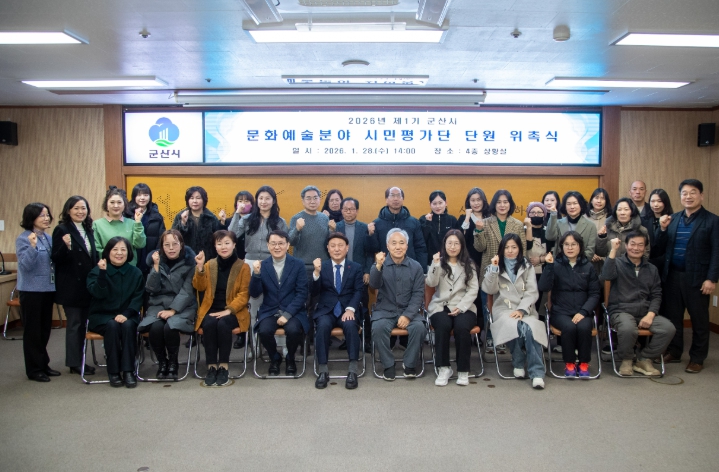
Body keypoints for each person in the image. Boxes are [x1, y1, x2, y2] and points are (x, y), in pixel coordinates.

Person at [655, 179, 719, 373]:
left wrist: (711, 279)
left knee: (699, 321)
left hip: (698, 279)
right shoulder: (673, 219)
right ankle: (675, 351)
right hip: (672, 276)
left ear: (701, 195)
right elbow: (659, 247)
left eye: (693, 192)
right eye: (684, 193)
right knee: (673, 318)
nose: (688, 196)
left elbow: (717, 252)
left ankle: (697, 358)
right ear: (680, 196)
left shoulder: (712, 220)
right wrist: (662, 229)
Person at [601, 233, 675, 376]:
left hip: (645, 311)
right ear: (626, 246)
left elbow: (656, 295)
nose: (636, 248)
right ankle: (627, 359)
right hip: (621, 310)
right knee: (628, 329)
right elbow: (606, 276)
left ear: (645, 247)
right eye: (632, 244)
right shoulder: (616, 263)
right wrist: (613, 250)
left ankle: (644, 359)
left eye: (640, 245)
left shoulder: (651, 269)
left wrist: (651, 314)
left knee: (668, 328)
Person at [228, 186, 288, 354]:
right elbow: (231, 235)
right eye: (261, 198)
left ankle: (281, 345)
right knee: (253, 306)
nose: (264, 201)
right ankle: (254, 347)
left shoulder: (279, 221)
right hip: (250, 263)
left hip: (273, 262)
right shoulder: (247, 219)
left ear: (273, 201)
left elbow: (284, 243)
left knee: (277, 304)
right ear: (256, 201)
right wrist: (237, 214)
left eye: (267, 198)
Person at [482, 233, 546, 389]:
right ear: (501, 249)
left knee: (529, 328)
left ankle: (537, 373)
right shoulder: (493, 266)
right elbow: (489, 289)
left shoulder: (527, 266)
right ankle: (518, 362)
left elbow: (532, 292)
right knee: (515, 324)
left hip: (525, 308)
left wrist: (522, 310)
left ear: (520, 249)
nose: (510, 251)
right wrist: (494, 269)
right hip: (503, 309)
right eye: (507, 247)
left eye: (514, 247)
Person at [538, 231, 600, 378]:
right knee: (569, 327)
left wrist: (583, 312)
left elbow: (595, 294)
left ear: (580, 246)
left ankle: (583, 364)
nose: (570, 248)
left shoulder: (588, 266)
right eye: (566, 244)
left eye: (573, 244)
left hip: (582, 311)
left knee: (584, 327)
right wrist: (549, 266)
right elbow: (543, 287)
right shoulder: (556, 264)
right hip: (560, 312)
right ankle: (570, 363)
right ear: (561, 247)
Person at [192, 230, 250, 387]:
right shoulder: (209, 264)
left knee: (223, 324)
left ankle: (223, 367)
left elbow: (244, 294)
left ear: (234, 245)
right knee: (210, 323)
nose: (223, 247)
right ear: (215, 246)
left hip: (234, 311)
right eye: (219, 244)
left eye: (227, 243)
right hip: (211, 308)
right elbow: (199, 287)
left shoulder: (243, 267)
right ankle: (211, 367)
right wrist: (200, 268)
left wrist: (229, 310)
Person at [138, 230, 197, 380]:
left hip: (183, 307)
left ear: (181, 245)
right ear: (161, 247)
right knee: (156, 328)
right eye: (167, 245)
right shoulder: (156, 261)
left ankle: (173, 363)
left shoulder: (190, 263)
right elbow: (151, 289)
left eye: (175, 244)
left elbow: (187, 291)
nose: (171, 248)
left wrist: (173, 310)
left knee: (170, 327)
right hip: (158, 305)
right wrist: (156, 267)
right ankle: (162, 362)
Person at [86, 237, 144, 387]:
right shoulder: (96, 271)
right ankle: (113, 371)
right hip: (101, 316)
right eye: (115, 249)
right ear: (108, 252)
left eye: (123, 250)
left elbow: (138, 298)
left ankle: (128, 370)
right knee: (112, 325)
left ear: (128, 252)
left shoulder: (135, 272)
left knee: (128, 326)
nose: (119, 253)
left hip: (128, 315)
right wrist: (102, 273)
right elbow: (97, 293)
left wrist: (126, 314)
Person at [369, 228, 427, 380]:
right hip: (385, 311)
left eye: (401, 243)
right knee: (378, 328)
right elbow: (374, 285)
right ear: (387, 246)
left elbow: (418, 294)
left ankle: (410, 364)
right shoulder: (379, 264)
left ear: (407, 246)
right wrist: (378, 266)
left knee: (419, 328)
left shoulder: (416, 267)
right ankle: (388, 364)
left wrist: (408, 316)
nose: (398, 247)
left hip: (409, 311)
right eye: (393, 243)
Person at [473, 189, 526, 353]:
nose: (502, 205)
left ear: (510, 204)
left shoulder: (517, 224)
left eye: (505, 202)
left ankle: (505, 337)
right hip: (490, 272)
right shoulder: (485, 222)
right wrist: (479, 231)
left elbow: (522, 250)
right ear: (494, 205)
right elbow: (479, 248)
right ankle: (490, 336)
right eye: (499, 202)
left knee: (507, 306)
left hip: (511, 273)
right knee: (488, 307)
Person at [250, 230, 309, 377]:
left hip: (293, 311)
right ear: (268, 245)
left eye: (281, 243)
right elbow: (255, 293)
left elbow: (302, 293)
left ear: (288, 245)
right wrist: (256, 274)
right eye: (273, 243)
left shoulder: (298, 264)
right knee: (264, 331)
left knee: (294, 330)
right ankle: (274, 358)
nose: (277, 247)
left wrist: (288, 314)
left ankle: (290, 359)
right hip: (270, 310)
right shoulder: (263, 265)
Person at [51, 196, 98, 376]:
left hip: (87, 285)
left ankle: (81, 360)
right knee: (75, 325)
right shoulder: (62, 229)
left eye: (83, 208)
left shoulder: (88, 228)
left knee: (83, 325)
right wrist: (66, 246)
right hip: (71, 286)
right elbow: (56, 257)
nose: (80, 211)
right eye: (76, 208)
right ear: (68, 210)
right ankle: (74, 363)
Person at [426, 229, 479, 386]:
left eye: (456, 243)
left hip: (464, 306)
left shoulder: (469, 264)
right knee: (442, 326)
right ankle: (444, 368)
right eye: (449, 243)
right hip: (441, 306)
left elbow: (473, 289)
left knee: (462, 327)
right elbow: (431, 283)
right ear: (444, 245)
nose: (453, 247)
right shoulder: (438, 262)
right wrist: (435, 265)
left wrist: (461, 307)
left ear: (462, 245)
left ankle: (463, 370)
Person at [312, 232, 364, 390]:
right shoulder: (322, 266)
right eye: (333, 246)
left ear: (347, 248)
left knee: (350, 325)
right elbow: (314, 292)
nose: (336, 249)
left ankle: (353, 370)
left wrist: (351, 309)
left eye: (340, 246)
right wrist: (316, 274)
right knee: (322, 326)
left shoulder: (355, 267)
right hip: (326, 310)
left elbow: (358, 291)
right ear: (328, 248)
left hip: (347, 309)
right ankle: (323, 370)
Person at [16, 203, 57, 382]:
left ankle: (43, 364)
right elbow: (25, 265)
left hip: (47, 288)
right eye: (42, 215)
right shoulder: (24, 238)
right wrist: (32, 247)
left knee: (44, 330)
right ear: (31, 218)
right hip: (31, 290)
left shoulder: (47, 237)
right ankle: (34, 369)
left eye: (47, 215)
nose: (46, 218)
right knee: (33, 332)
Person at [336, 197, 373, 352]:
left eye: (351, 209)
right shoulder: (336, 227)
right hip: (341, 275)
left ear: (357, 211)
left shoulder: (364, 228)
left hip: (359, 275)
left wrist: (367, 271)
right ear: (341, 210)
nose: (348, 212)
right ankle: (348, 339)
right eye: (345, 209)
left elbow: (369, 253)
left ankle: (367, 341)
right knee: (343, 307)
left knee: (363, 308)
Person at [366, 186, 428, 273]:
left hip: (410, 270)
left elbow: (420, 248)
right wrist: (371, 235)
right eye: (392, 195)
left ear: (402, 199)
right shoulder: (377, 223)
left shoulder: (414, 222)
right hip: (386, 270)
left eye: (398, 196)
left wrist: (422, 271)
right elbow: (374, 249)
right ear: (386, 199)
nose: (396, 199)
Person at [457, 188, 490, 330]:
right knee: (471, 293)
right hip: (469, 261)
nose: (476, 203)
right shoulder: (463, 218)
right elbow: (460, 238)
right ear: (468, 202)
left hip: (486, 259)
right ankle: (471, 327)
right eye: (473, 200)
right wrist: (467, 217)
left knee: (485, 295)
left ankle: (483, 330)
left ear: (483, 201)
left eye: (478, 200)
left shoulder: (490, 217)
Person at [92, 186, 146, 267]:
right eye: (112, 202)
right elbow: (97, 249)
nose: (116, 205)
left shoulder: (132, 223)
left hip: (129, 268)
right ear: (106, 205)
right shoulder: (97, 224)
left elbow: (140, 244)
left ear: (124, 205)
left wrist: (138, 222)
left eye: (119, 202)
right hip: (107, 268)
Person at [172, 186, 222, 260]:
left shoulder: (211, 218)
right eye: (191, 198)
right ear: (188, 200)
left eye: (198, 198)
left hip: (208, 259)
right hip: (186, 259)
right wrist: (183, 223)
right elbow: (174, 237)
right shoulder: (180, 216)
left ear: (204, 200)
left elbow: (219, 239)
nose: (195, 201)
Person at [126, 183, 165, 275]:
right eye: (139, 195)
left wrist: (156, 255)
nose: (142, 198)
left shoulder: (157, 216)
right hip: (132, 258)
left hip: (150, 257)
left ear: (150, 197)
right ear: (134, 197)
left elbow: (161, 238)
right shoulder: (127, 215)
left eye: (145, 195)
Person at [546, 191, 597, 260]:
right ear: (565, 207)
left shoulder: (590, 225)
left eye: (575, 203)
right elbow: (549, 237)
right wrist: (553, 215)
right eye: (568, 204)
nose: (572, 207)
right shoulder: (558, 223)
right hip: (560, 262)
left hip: (581, 263)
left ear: (581, 205)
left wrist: (575, 262)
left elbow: (590, 251)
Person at [525, 202, 554, 312]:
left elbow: (553, 251)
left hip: (544, 271)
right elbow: (527, 246)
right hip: (526, 271)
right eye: (532, 212)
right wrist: (528, 227)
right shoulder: (523, 229)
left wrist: (541, 259)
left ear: (544, 214)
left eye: (539, 212)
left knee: (541, 301)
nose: (536, 215)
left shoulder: (548, 231)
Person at [419, 190, 459, 268]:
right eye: (434, 203)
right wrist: (428, 223)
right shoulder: (423, 219)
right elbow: (422, 240)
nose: (438, 206)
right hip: (429, 263)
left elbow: (457, 241)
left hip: (449, 262)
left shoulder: (452, 220)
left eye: (440, 203)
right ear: (430, 204)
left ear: (446, 203)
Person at [645, 188, 673, 268]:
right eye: (652, 201)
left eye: (659, 201)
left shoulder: (672, 220)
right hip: (647, 262)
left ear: (665, 202)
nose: (655, 204)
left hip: (666, 264)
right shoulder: (644, 220)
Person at [586, 188, 612, 273]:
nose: (599, 201)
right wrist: (590, 254)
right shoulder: (583, 217)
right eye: (596, 198)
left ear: (606, 201)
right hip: (586, 260)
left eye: (602, 198)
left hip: (604, 260)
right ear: (591, 200)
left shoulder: (610, 219)